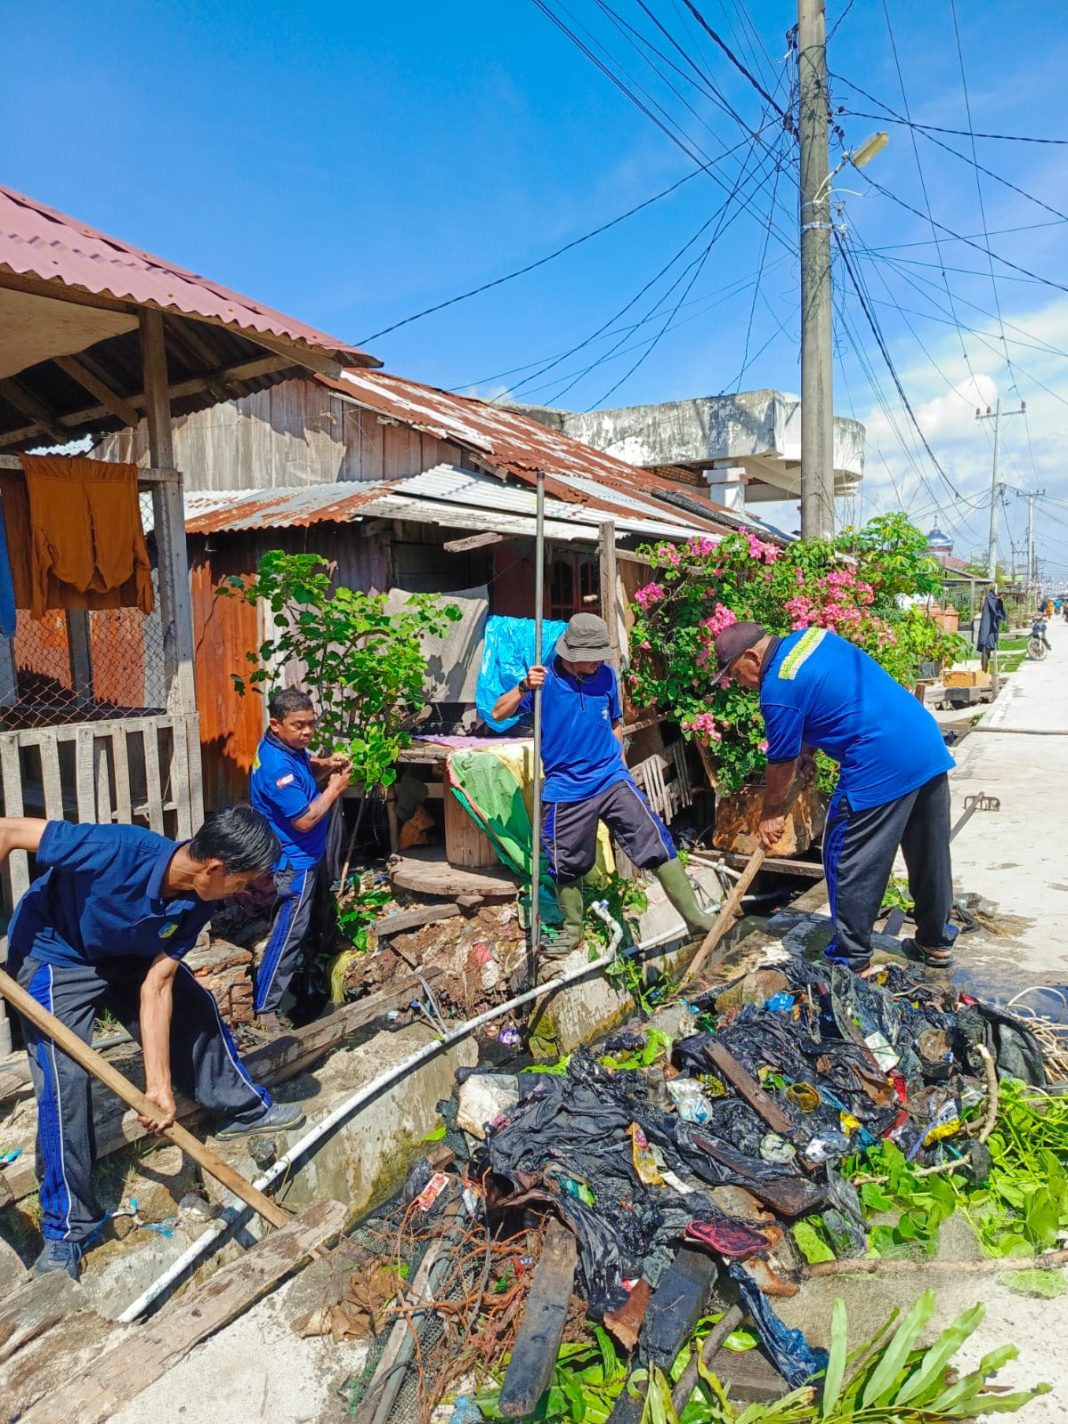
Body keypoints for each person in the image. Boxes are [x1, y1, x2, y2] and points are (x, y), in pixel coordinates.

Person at [3, 805, 305, 1281]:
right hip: (56, 952)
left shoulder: (200, 899)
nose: (243, 892)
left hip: (130, 956)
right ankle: (68, 1230)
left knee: (196, 1008)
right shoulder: (116, 849)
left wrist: (158, 1086)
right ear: (214, 868)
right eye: (243, 882)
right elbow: (8, 830)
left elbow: (157, 985)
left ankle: (239, 1108)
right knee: (64, 1079)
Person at [711, 621, 957, 976]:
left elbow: (780, 763)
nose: (740, 684)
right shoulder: (810, 638)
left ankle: (850, 959)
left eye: (736, 675)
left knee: (845, 855)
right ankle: (935, 941)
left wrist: (771, 814)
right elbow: (826, 694)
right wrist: (807, 751)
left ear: (752, 656)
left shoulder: (777, 688)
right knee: (928, 851)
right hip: (923, 741)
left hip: (879, 757)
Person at [492, 613, 714, 956]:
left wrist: (620, 764)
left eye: (600, 656)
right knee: (566, 862)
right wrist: (523, 686)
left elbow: (614, 722)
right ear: (571, 655)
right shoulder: (544, 681)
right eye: (591, 658)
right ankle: (572, 930)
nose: (598, 663)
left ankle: (695, 919)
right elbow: (497, 713)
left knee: (654, 839)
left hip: (611, 778)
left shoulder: (607, 676)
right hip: (566, 788)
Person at [250, 688, 351, 1028]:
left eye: (311, 723)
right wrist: (334, 788)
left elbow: (305, 770)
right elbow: (305, 819)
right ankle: (266, 1007)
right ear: (276, 724)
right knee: (289, 932)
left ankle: (311, 969)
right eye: (299, 725)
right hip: (295, 862)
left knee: (313, 918)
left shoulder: (287, 749)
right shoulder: (277, 768)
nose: (307, 732)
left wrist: (324, 765)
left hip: (309, 855)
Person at [976, 585, 1008, 673]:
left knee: (988, 642)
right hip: (989, 624)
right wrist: (1001, 615)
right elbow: (996, 611)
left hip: (990, 623)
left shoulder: (991, 598)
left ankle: (986, 666)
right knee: (987, 642)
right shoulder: (990, 599)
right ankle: (985, 666)